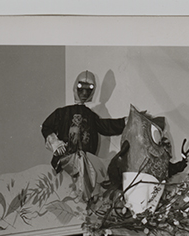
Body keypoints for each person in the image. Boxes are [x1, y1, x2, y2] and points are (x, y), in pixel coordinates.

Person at [40, 71, 125, 200]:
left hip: (86, 161)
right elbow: (46, 126)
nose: (84, 93)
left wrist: (126, 121)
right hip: (67, 159)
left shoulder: (90, 116)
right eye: (81, 89)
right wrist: (55, 142)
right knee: (82, 161)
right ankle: (85, 198)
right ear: (75, 87)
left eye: (88, 90)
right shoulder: (62, 113)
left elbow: (107, 126)